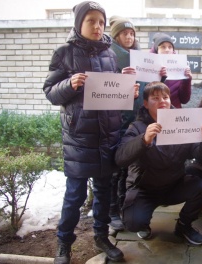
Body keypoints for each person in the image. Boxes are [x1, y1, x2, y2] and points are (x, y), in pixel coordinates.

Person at [43, 1, 125, 263]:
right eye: (91, 21)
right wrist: (70, 83)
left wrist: (127, 90)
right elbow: (50, 92)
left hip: (107, 136)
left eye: (101, 22)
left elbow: (111, 92)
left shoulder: (111, 54)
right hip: (79, 137)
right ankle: (63, 244)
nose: (98, 26)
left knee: (103, 191)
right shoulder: (64, 52)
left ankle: (102, 237)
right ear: (79, 23)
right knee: (75, 195)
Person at [115, 81, 202, 246]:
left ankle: (184, 225)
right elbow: (120, 158)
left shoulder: (183, 125)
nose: (162, 101)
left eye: (165, 97)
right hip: (145, 189)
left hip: (173, 185)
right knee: (133, 223)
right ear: (146, 104)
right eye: (155, 98)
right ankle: (143, 221)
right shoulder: (137, 127)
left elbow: (199, 155)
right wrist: (144, 140)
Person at [107, 15, 147, 232]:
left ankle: (123, 207)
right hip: (116, 121)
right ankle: (112, 211)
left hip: (134, 119)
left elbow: (148, 87)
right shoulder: (109, 56)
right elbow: (104, 86)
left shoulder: (140, 58)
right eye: (125, 33)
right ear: (116, 36)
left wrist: (162, 77)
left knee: (127, 168)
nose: (129, 37)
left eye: (132, 33)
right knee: (115, 168)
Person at [150, 32, 192, 108]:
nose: (167, 50)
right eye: (163, 47)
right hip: (155, 113)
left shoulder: (180, 67)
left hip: (174, 114)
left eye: (170, 47)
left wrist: (187, 80)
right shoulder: (149, 67)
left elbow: (184, 100)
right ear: (157, 50)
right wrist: (161, 78)